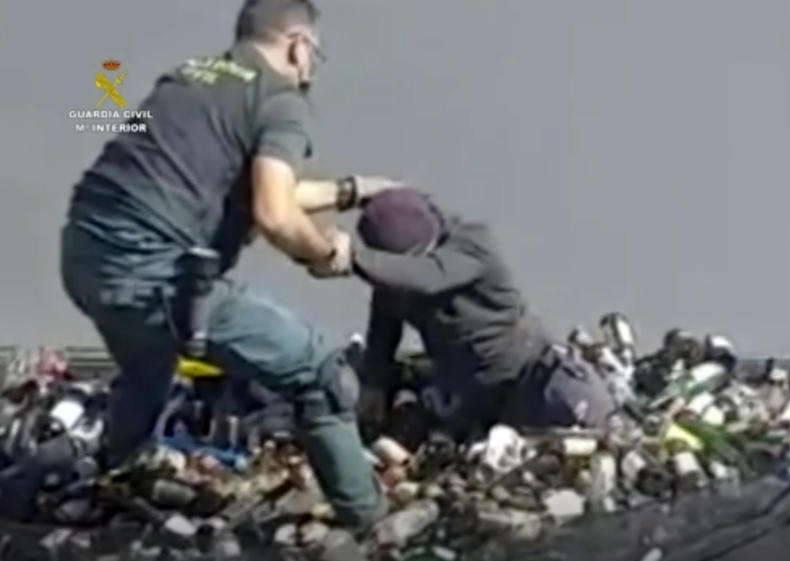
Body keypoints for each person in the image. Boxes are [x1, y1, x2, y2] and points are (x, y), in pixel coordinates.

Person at [57, 0, 397, 531]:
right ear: (298, 45)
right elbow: (274, 213)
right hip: (158, 274)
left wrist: (351, 192)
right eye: (315, 54)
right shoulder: (279, 99)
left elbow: (248, 188)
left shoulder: (188, 78)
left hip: (84, 255)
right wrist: (328, 253)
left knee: (149, 370)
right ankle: (371, 524)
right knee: (322, 374)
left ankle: (104, 482)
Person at [343, 188, 617, 437]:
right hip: (467, 393)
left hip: (527, 377)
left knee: (580, 425)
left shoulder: (472, 245)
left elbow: (431, 276)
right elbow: (382, 334)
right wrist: (374, 388)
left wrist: (352, 257)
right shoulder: (394, 281)